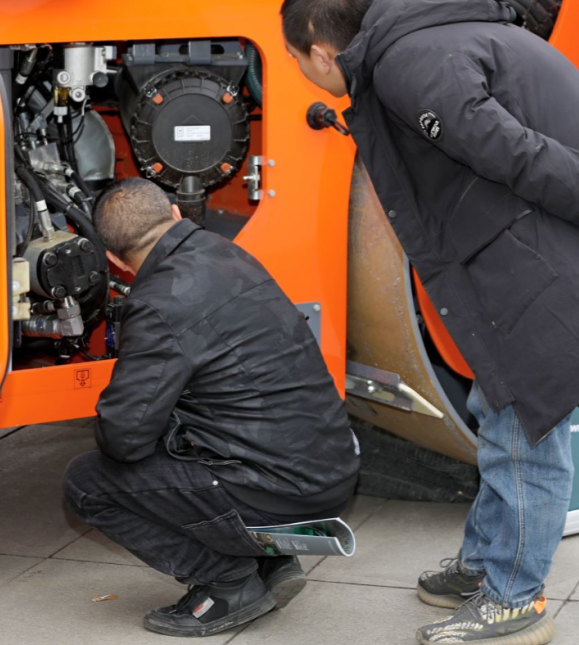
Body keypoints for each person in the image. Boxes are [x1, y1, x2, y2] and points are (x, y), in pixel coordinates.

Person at [281, 0, 579, 645]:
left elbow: (515, 151)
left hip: (538, 255)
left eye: (292, 60)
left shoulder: (410, 64)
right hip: (529, 245)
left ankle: (514, 595)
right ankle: (489, 559)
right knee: (502, 407)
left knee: (524, 423)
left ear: (317, 50)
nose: (300, 72)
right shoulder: (438, 36)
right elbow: (564, 124)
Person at [64, 178, 360, 638]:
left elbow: (123, 438)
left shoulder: (159, 303)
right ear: (177, 217)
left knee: (88, 483)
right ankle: (269, 560)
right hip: (330, 465)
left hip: (280, 487)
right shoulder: (227, 253)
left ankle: (227, 579)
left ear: (115, 262)